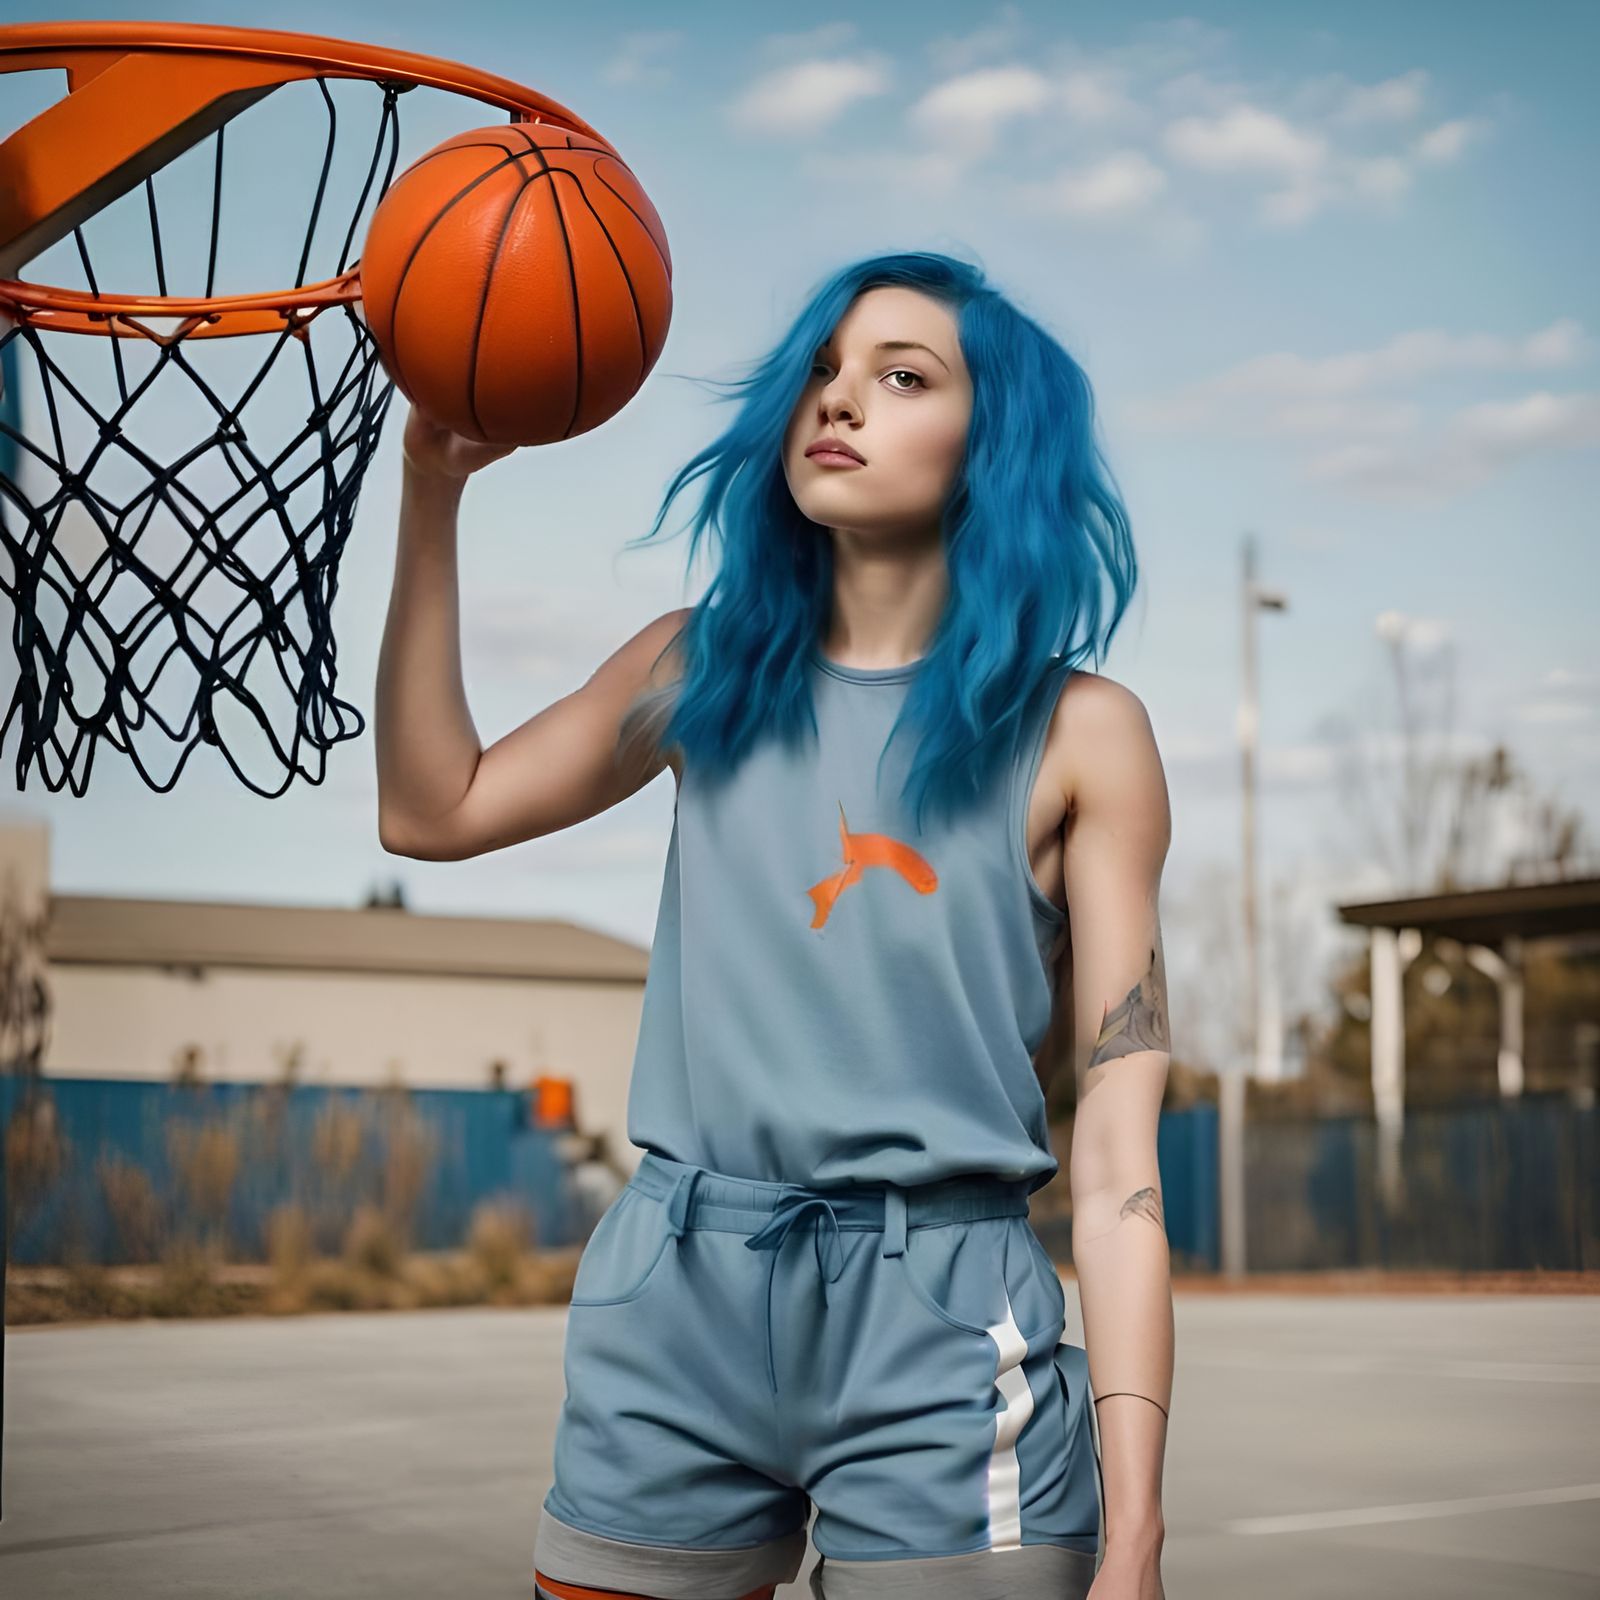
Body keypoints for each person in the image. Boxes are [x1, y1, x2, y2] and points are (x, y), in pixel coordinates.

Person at [376, 251, 1173, 1600]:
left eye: (900, 375)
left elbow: (1117, 1164)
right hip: (676, 1291)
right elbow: (431, 809)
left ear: (999, 442)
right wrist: (430, 494)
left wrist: (1138, 1538)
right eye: (820, 370)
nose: (838, 401)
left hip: (941, 1313)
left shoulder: (1082, 734)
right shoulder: (698, 666)